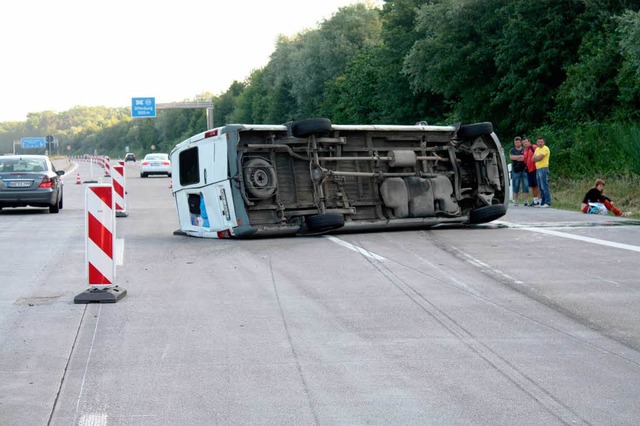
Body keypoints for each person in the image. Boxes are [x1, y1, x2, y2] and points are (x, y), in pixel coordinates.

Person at [509, 136, 529, 206]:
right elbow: (511, 157)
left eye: (518, 142)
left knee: (525, 185)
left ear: (521, 142)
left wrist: (517, 158)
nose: (517, 143)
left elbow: (525, 158)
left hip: (524, 170)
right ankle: (516, 201)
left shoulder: (524, 150)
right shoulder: (512, 150)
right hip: (516, 170)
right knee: (516, 185)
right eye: (516, 142)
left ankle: (526, 201)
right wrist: (520, 156)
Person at [532, 136, 551, 208]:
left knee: (544, 185)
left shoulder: (545, 148)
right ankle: (542, 202)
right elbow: (533, 159)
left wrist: (536, 158)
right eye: (539, 142)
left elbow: (540, 158)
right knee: (540, 186)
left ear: (544, 142)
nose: (540, 143)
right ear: (537, 143)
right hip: (538, 168)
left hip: (543, 168)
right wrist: (536, 158)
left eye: (541, 142)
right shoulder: (537, 149)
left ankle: (547, 202)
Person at [522, 138, 540, 206]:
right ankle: (535, 201)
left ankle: (539, 200)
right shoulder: (525, 151)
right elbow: (525, 160)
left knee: (537, 185)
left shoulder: (534, 147)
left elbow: (539, 154)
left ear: (529, 142)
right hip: (529, 170)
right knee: (533, 186)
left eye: (526, 142)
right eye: (523, 143)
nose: (525, 144)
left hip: (535, 169)